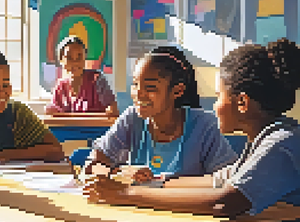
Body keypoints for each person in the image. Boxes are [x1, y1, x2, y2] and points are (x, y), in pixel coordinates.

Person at [84, 38, 300, 222]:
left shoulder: (281, 144)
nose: (215, 106)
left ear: (242, 102)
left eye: (218, 96)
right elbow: (216, 180)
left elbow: (223, 202)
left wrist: (125, 194)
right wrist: (148, 182)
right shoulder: (261, 142)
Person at [83, 46, 237, 182]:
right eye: (135, 84)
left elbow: (229, 179)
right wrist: (119, 173)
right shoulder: (131, 119)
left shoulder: (204, 126)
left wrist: (164, 182)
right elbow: (91, 166)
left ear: (177, 91)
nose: (139, 94)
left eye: (150, 87)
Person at [45, 36, 118, 115]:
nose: (75, 62)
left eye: (79, 57)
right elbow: (54, 112)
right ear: (61, 60)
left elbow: (112, 108)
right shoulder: (60, 87)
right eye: (69, 58)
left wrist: (111, 110)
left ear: (85, 58)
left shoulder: (97, 80)